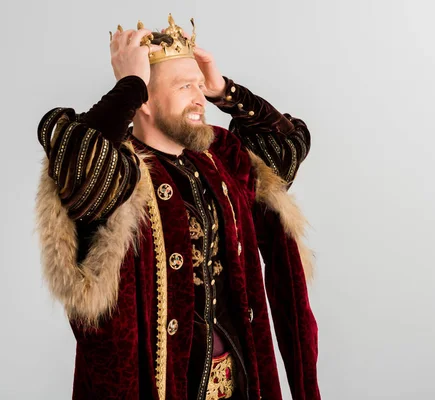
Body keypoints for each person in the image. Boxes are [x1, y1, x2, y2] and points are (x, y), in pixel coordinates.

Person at [35, 14, 320, 400]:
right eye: (186, 86)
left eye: (200, 87)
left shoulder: (220, 157)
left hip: (238, 380)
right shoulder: (119, 174)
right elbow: (75, 162)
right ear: (145, 103)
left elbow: (286, 144)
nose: (199, 99)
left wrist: (224, 90)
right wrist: (130, 83)